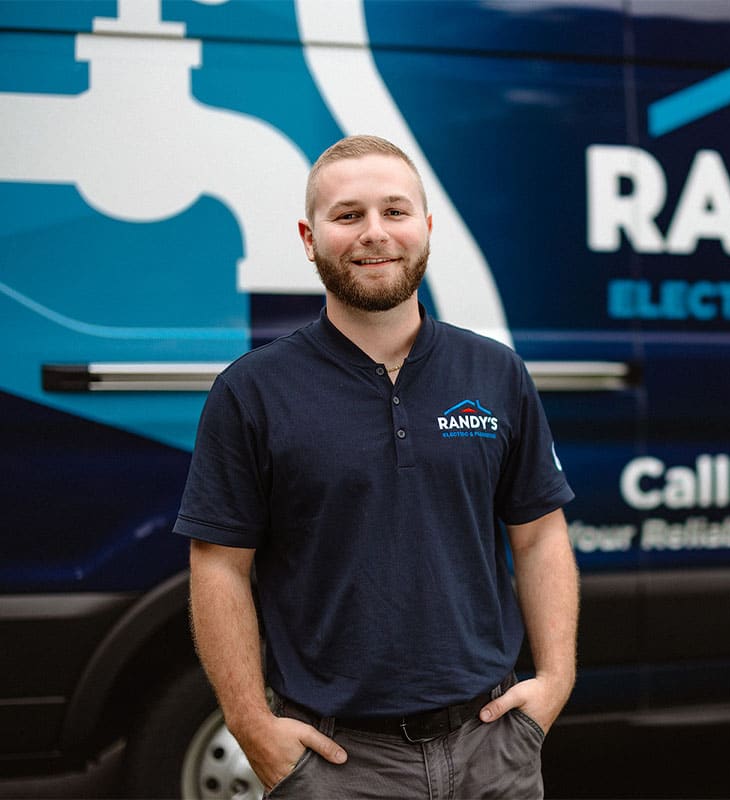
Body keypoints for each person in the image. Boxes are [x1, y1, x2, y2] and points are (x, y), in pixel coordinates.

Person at [175, 134, 579, 799]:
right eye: (347, 215)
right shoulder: (252, 392)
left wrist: (555, 681)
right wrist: (252, 726)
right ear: (309, 237)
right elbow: (219, 564)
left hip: (493, 748)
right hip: (337, 762)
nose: (374, 234)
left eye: (394, 211)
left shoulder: (496, 372)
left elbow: (539, 534)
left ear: (426, 227)